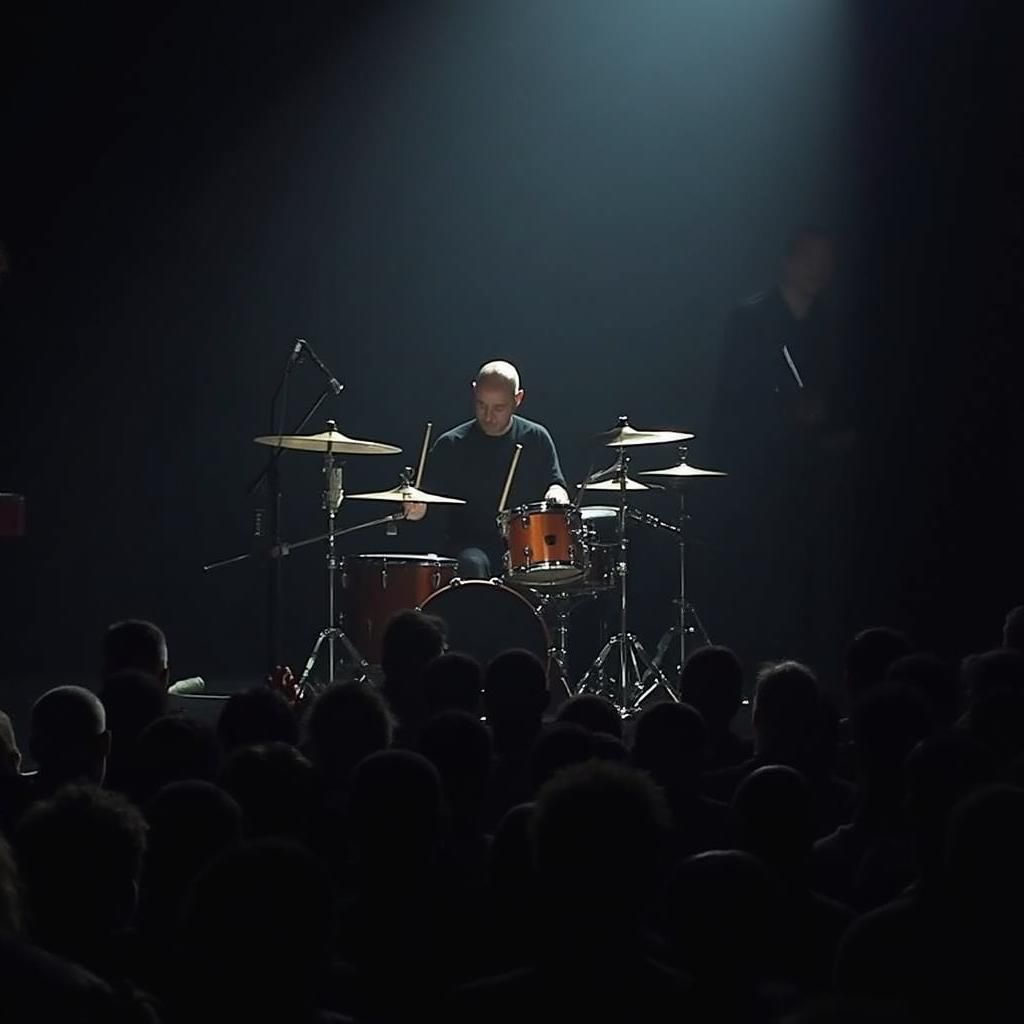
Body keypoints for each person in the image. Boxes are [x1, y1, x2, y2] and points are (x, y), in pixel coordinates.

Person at [706, 227, 852, 674]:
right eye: (811, 258)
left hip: (814, 475)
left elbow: (845, 396)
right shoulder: (751, 320)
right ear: (789, 262)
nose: (820, 269)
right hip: (759, 476)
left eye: (827, 260)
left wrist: (831, 425)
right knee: (761, 574)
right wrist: (787, 412)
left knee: (812, 577)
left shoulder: (831, 322)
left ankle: (811, 669)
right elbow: (731, 399)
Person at [404, 360, 569, 578]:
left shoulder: (536, 438)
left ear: (517, 399)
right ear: (474, 391)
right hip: (468, 546)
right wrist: (417, 508)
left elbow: (555, 483)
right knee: (472, 564)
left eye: (499, 408)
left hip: (525, 546)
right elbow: (427, 498)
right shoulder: (451, 444)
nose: (488, 416)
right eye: (481, 405)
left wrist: (556, 493)